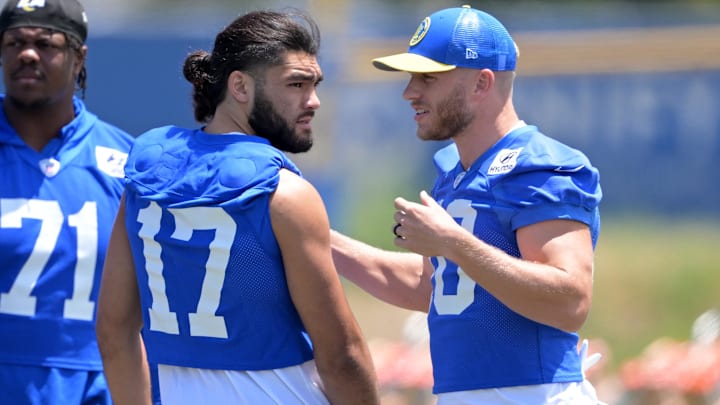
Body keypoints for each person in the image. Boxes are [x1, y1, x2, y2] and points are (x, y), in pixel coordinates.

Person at [95, 8, 380, 405]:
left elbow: (113, 330)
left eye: (314, 84)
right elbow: (341, 356)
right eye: (296, 84)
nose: (313, 101)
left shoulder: (144, 178)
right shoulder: (284, 193)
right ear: (240, 87)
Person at [331, 5, 604, 404]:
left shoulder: (540, 166)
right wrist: (318, 240)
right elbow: (433, 285)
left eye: (428, 77)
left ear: (481, 83)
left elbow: (570, 300)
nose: (409, 91)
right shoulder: (455, 170)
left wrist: (454, 243)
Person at [0, 0, 135, 404]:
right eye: (14, 42)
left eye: (45, 43)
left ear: (79, 58)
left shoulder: (126, 164)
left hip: (95, 386)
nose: (27, 54)